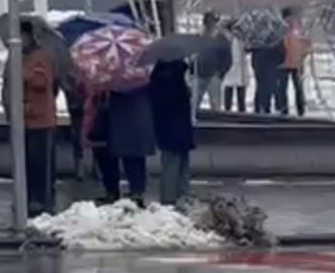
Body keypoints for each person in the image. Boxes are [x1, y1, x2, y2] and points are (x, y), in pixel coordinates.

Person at [18, 21, 60, 216]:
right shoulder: (24, 56)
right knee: (29, 162)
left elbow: (42, 82)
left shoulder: (39, 57)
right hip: (27, 119)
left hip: (40, 120)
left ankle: (41, 200)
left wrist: (25, 74)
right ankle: (31, 198)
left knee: (39, 163)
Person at [88, 85, 153, 205]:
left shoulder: (112, 76)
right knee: (130, 155)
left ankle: (117, 192)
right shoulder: (139, 76)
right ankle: (135, 192)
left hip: (118, 115)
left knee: (116, 155)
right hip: (127, 116)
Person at [149, 59, 195, 205]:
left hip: (167, 128)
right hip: (178, 128)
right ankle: (176, 195)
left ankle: (172, 195)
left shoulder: (159, 79)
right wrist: (186, 93)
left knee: (171, 161)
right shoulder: (175, 82)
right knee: (177, 162)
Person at [193, 13, 231, 113]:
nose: (209, 25)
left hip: (214, 76)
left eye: (211, 22)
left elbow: (228, 59)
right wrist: (192, 71)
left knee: (215, 105)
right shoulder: (198, 37)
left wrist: (220, 74)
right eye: (207, 22)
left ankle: (216, 125)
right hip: (198, 75)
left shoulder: (221, 39)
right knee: (194, 103)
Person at [280, 10, 310, 117]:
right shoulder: (280, 31)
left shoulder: (298, 31)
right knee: (282, 89)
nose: (290, 21)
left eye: (292, 18)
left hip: (297, 64)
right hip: (283, 64)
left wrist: (304, 53)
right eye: (288, 18)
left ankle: (300, 109)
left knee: (298, 88)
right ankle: (283, 110)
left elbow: (306, 44)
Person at [222, 28, 249, 113]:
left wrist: (242, 39)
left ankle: (242, 114)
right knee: (228, 92)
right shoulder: (228, 38)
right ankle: (227, 113)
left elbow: (248, 49)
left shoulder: (243, 40)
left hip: (241, 70)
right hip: (230, 69)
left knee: (241, 96)